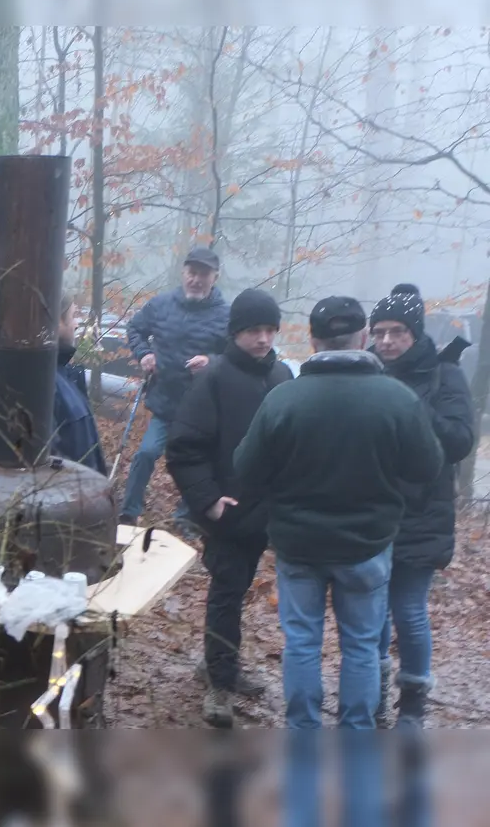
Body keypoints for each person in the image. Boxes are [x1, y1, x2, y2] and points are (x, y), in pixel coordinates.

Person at [233, 296, 443, 729]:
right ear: (364, 337)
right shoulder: (397, 399)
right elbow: (428, 466)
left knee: (302, 645)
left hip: (298, 546)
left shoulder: (284, 399)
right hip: (367, 547)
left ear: (312, 340)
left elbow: (244, 469)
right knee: (363, 647)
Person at [164, 288, 293, 728]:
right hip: (228, 513)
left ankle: (222, 665)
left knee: (238, 595)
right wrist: (207, 500)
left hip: (270, 513)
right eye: (253, 330)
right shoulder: (214, 379)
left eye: (269, 330)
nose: (262, 339)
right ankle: (219, 683)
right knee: (225, 595)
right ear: (235, 332)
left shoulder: (282, 378)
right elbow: (183, 448)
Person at [367, 283, 475, 727]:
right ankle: (371, 691)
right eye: (380, 332)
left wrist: (410, 404)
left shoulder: (443, 375)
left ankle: (412, 700)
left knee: (407, 610)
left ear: (414, 332)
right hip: (370, 512)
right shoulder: (367, 372)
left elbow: (460, 441)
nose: (387, 341)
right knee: (370, 612)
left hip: (423, 514)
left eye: (397, 332)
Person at [120, 246, 230, 529]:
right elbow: (135, 329)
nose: (196, 280)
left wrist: (211, 360)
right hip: (165, 402)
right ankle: (128, 512)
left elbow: (234, 356)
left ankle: (186, 517)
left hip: (201, 408)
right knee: (146, 453)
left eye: (203, 274)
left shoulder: (225, 315)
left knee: (196, 463)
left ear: (214, 277)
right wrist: (144, 353)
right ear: (183, 273)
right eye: (192, 273)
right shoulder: (161, 304)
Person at [51, 298, 107, 475]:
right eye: (73, 315)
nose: (76, 324)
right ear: (55, 322)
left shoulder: (65, 377)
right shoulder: (44, 385)